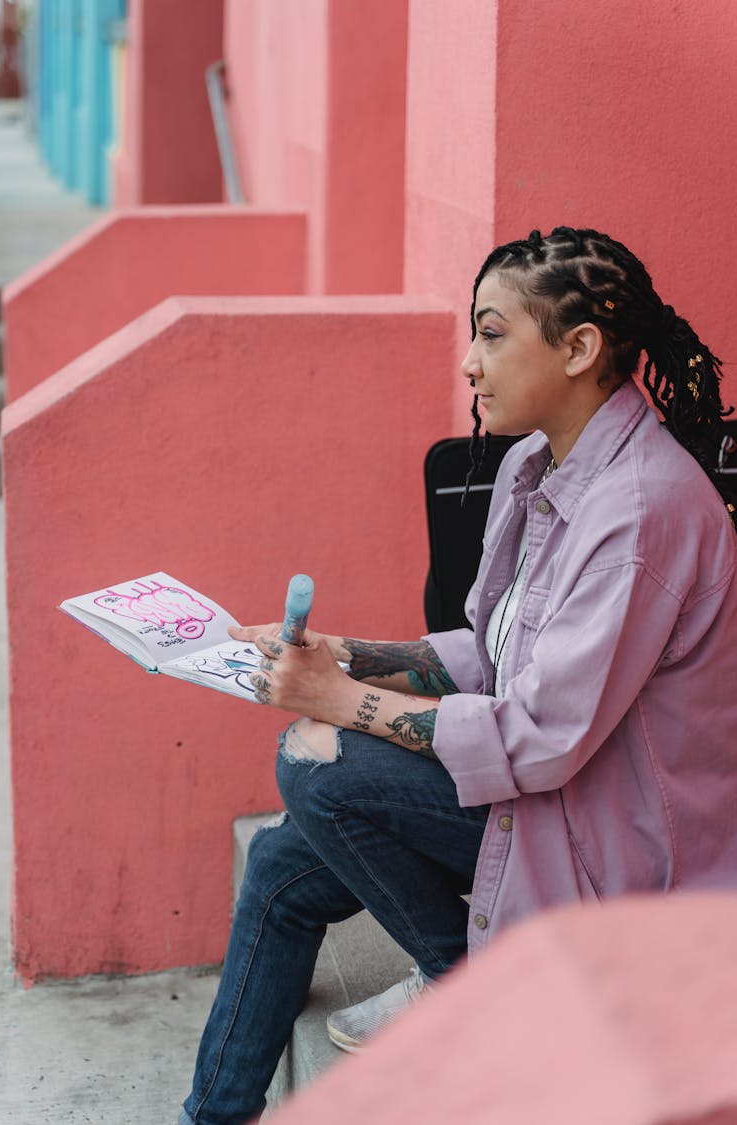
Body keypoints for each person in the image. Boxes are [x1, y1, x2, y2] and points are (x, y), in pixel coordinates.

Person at [179, 227, 737, 1125]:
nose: (471, 363)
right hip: (552, 792)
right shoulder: (536, 462)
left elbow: (541, 739)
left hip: (616, 842)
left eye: (492, 333)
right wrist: (346, 655)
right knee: (285, 865)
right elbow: (489, 643)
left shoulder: (641, 510)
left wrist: (338, 703)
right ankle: (210, 1115)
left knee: (318, 759)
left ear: (579, 348)